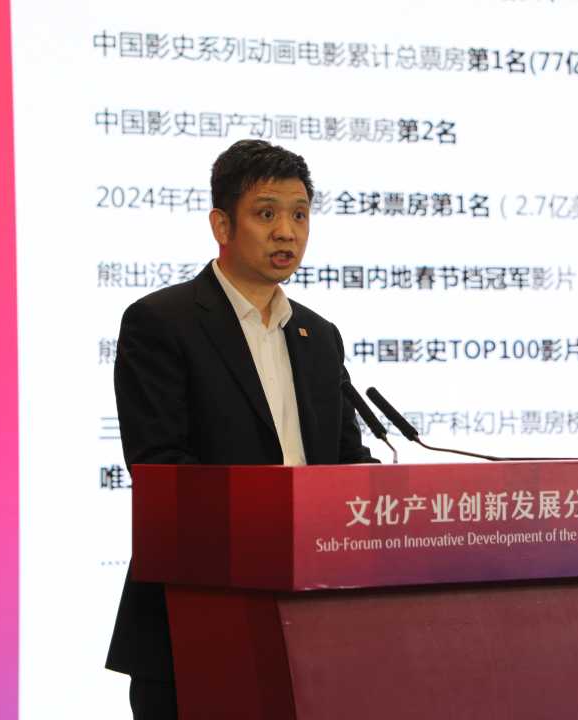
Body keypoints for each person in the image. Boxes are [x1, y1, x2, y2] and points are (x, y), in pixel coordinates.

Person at [104, 140, 376, 718]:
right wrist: (275, 521)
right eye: (266, 213)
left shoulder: (319, 336)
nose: (287, 232)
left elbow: (346, 464)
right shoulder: (162, 322)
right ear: (222, 225)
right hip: (197, 616)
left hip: (312, 621)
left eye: (300, 214)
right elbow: (162, 469)